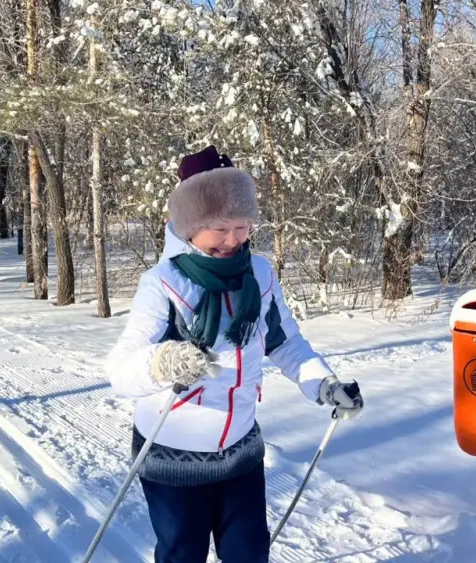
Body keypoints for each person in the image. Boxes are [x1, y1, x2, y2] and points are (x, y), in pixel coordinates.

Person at [105, 145, 364, 563]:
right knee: (181, 555)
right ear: (190, 226)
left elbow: (284, 341)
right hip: (174, 455)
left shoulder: (258, 273)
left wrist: (325, 385)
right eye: (220, 229)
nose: (233, 240)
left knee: (249, 554)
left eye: (242, 226)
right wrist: (161, 361)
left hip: (241, 451)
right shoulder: (163, 283)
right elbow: (119, 370)